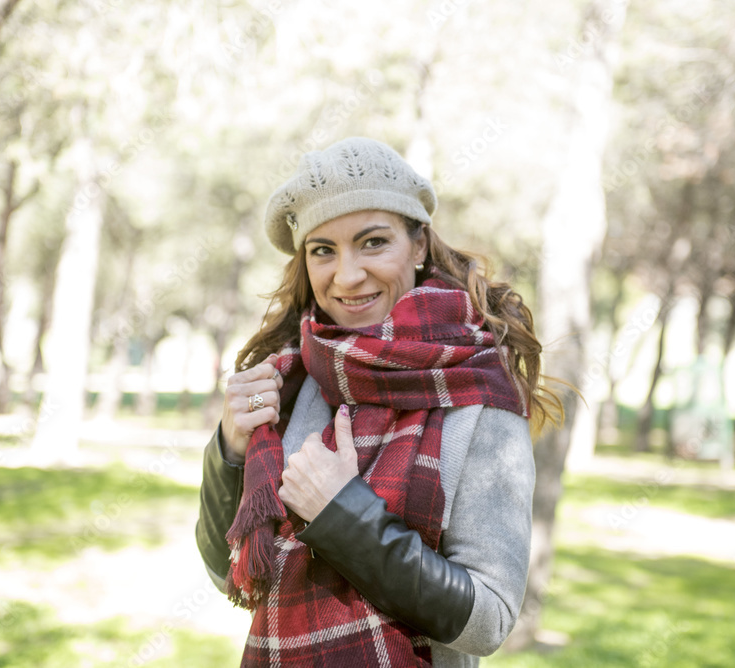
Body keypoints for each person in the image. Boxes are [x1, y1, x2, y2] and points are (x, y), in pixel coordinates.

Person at [196, 136, 564, 667]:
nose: (346, 275)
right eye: (324, 250)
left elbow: (489, 620)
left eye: (373, 242)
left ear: (418, 245)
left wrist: (342, 514)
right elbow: (222, 573)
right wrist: (228, 451)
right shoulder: (290, 377)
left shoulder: (478, 390)